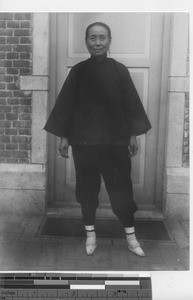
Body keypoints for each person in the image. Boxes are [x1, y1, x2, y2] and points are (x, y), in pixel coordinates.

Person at [44, 22, 151, 256]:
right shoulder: (78, 71)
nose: (97, 42)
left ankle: (131, 237)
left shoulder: (120, 71)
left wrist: (132, 134)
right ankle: (90, 234)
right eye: (92, 38)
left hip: (116, 142)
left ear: (109, 41)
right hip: (85, 143)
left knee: (121, 189)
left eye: (102, 38)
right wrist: (64, 136)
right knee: (87, 189)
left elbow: (130, 105)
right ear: (86, 42)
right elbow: (67, 106)